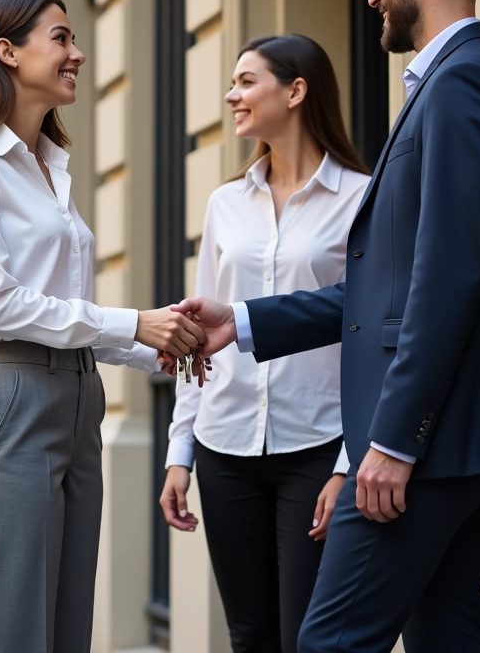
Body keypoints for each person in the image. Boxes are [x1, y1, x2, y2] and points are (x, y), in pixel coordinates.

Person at [175, 0, 480, 653]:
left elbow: (448, 280)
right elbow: (381, 294)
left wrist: (396, 441)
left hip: (429, 439)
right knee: (449, 638)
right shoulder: (451, 82)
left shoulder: (465, 81)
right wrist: (240, 322)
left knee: (329, 643)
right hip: (447, 436)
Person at [0, 0, 206, 653]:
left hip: (79, 401)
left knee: (67, 630)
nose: (77, 53)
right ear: (7, 52)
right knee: (14, 632)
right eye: (61, 38)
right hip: (13, 400)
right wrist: (133, 325)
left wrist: (155, 348)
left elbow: (62, 310)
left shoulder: (51, 168)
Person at [158, 35, 370, 653]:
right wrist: (180, 452)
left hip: (319, 445)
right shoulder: (225, 204)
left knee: (309, 636)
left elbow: (369, 334)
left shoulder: (361, 198)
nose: (232, 95)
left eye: (247, 82)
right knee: (249, 635)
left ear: (296, 91)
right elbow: (198, 334)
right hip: (224, 445)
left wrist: (347, 464)